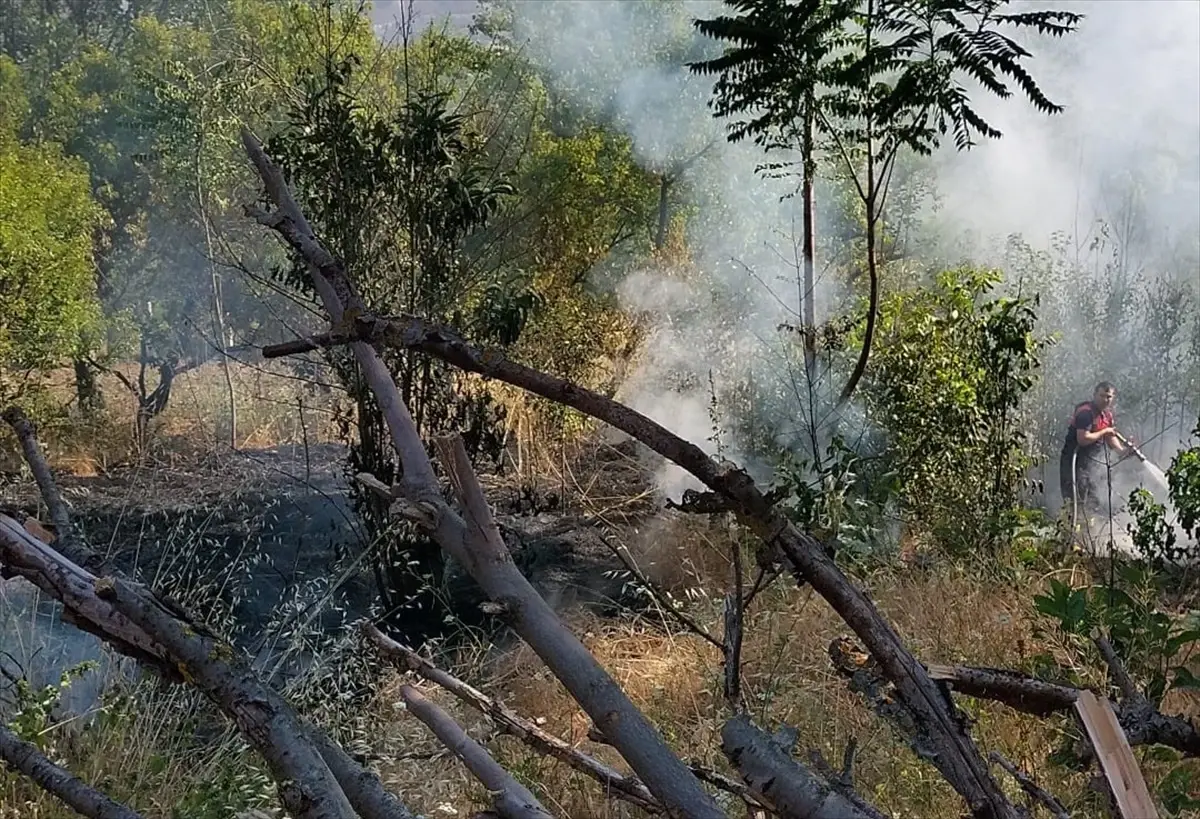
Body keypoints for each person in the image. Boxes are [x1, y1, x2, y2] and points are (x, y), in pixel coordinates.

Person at [1059, 381, 1132, 531]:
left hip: (1091, 465)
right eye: (1102, 396)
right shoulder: (1086, 413)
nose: (1105, 400)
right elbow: (1083, 439)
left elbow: (1111, 438)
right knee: (1074, 501)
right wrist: (1104, 432)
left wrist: (1123, 451)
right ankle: (1069, 540)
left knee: (1092, 501)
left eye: (1109, 397)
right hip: (1074, 463)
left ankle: (1087, 538)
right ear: (1094, 395)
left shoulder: (1107, 416)